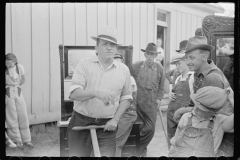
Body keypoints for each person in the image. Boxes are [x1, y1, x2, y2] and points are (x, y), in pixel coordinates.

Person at [67, 26, 132, 157]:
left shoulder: (123, 70)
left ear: (116, 48)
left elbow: (127, 98)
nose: (109, 47)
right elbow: (74, 94)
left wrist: (115, 120)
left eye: (112, 45)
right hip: (81, 122)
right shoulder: (84, 65)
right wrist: (96, 93)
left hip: (107, 125)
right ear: (96, 48)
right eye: (104, 44)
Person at [169, 86, 234, 157]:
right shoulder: (186, 117)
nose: (195, 108)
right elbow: (175, 141)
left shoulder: (220, 121)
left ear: (212, 112)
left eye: (199, 107)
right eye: (196, 104)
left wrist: (231, 99)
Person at [180, 36, 232, 115]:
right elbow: (196, 100)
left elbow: (208, 112)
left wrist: (182, 111)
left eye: (192, 58)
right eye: (186, 58)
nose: (187, 62)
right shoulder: (197, 72)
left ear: (204, 57)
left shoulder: (213, 77)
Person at [132, 43, 165, 157]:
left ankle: (136, 147)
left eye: (153, 54)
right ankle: (142, 152)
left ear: (155, 56)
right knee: (139, 126)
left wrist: (159, 98)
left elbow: (161, 86)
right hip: (138, 101)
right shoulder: (137, 65)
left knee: (150, 129)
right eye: (148, 54)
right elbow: (129, 80)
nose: (150, 57)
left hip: (152, 102)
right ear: (145, 54)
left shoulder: (159, 68)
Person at [5, 53, 34, 149]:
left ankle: (27, 139)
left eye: (10, 64)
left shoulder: (20, 67)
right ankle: (17, 140)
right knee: (12, 115)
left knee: (23, 114)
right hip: (8, 91)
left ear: (15, 62)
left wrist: (16, 86)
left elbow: (23, 80)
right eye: (7, 64)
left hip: (18, 90)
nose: (8, 66)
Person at [167, 50, 194, 147]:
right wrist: (170, 94)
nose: (177, 66)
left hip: (183, 115)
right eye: (175, 64)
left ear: (186, 62)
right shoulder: (178, 78)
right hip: (171, 113)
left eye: (179, 63)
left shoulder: (192, 77)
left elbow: (194, 99)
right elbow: (173, 92)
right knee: (171, 139)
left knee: (183, 140)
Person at [114, 52, 138, 157]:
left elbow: (127, 100)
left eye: (119, 64)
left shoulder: (129, 78)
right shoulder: (110, 77)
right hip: (114, 113)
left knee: (116, 144)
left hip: (127, 113)